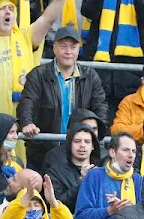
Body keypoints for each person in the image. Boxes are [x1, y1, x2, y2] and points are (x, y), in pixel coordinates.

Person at [15, 25, 107, 168]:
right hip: (43, 152)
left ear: (78, 49)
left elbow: (100, 106)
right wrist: (27, 123)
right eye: (63, 46)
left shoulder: (91, 76)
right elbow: (27, 101)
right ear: (54, 48)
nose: (68, 52)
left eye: (73, 47)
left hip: (81, 152)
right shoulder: (38, 74)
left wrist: (97, 132)